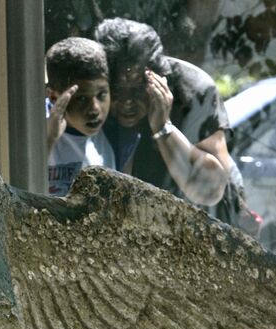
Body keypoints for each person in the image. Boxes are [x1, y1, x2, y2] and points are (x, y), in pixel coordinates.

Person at [95, 18, 258, 234]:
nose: (127, 102)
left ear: (157, 77)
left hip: (208, 225)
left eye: (136, 90)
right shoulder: (94, 92)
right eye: (118, 89)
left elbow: (210, 191)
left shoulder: (192, 90)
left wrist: (163, 127)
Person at [45, 37, 115, 196]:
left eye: (102, 95)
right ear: (54, 97)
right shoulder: (34, 123)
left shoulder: (113, 130)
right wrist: (49, 138)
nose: (95, 109)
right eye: (82, 99)